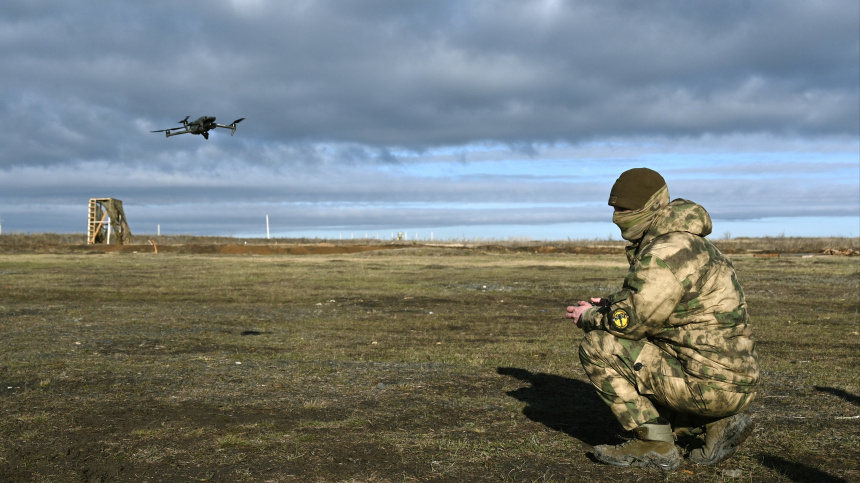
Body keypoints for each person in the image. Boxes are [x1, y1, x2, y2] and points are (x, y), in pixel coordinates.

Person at [565, 167, 760, 470]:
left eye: (624, 209)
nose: (617, 216)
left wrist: (589, 316)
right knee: (647, 351)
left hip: (708, 385)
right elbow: (665, 308)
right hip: (733, 381)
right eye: (615, 209)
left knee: (598, 346)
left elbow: (630, 323)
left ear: (652, 207)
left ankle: (655, 443)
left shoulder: (664, 253)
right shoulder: (691, 244)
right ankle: (716, 424)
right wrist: (611, 303)